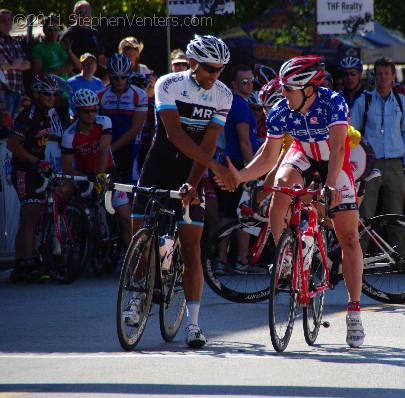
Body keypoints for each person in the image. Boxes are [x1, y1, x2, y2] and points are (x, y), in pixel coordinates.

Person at [222, 54, 367, 348]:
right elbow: (267, 157)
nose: (283, 94)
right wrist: (240, 175)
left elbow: (339, 148)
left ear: (308, 89)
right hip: (303, 156)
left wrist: (329, 187)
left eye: (288, 89)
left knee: (349, 237)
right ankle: (286, 254)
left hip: (333, 161)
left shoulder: (333, 102)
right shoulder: (281, 109)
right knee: (281, 187)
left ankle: (354, 311)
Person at [132, 35, 237, 348]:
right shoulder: (169, 84)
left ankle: (193, 324)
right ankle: (137, 300)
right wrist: (217, 167)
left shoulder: (224, 94)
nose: (214, 75)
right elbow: (174, 134)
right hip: (159, 165)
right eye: (208, 68)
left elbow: (208, 142)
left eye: (220, 69)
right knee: (140, 243)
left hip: (192, 170)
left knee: (191, 248)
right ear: (192, 63)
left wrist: (194, 182)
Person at [6, 75, 63, 283]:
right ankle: (29, 264)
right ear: (37, 94)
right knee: (30, 214)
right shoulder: (28, 114)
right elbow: (13, 144)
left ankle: (22, 264)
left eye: (54, 94)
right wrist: (35, 161)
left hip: (35, 169)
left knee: (30, 217)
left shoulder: (46, 114)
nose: (51, 97)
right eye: (47, 93)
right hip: (23, 169)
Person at [60, 88, 131, 246]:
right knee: (63, 191)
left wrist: (100, 174)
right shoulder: (69, 135)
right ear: (78, 112)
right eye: (86, 111)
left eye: (94, 110)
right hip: (84, 175)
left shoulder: (104, 121)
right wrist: (89, 178)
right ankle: (62, 239)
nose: (91, 114)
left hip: (107, 171)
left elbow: (105, 147)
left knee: (126, 218)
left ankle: (132, 262)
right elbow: (66, 168)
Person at [350, 57, 405, 222]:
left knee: (396, 219)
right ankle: (362, 249)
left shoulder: (402, 103)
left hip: (395, 165)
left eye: (387, 73)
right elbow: (351, 134)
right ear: (374, 76)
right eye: (379, 74)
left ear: (393, 76)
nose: (383, 77)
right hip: (369, 166)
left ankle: (396, 249)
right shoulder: (363, 102)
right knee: (364, 217)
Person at [214, 64, 260, 275]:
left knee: (228, 213)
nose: (249, 84)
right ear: (233, 84)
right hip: (238, 164)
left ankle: (222, 260)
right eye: (244, 81)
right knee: (244, 213)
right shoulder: (240, 106)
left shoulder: (232, 103)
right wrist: (253, 172)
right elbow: (244, 143)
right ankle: (241, 260)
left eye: (251, 80)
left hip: (228, 163)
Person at [97, 53, 148, 184]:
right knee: (105, 185)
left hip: (131, 147)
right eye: (115, 77)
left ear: (129, 75)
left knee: (129, 187)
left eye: (124, 77)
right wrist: (106, 149)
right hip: (107, 147)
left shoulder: (140, 94)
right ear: (109, 75)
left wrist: (111, 148)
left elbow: (135, 129)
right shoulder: (100, 95)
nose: (120, 81)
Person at [59, 1, 107, 73]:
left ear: (90, 14)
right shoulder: (67, 35)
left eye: (86, 12)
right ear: (75, 15)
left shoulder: (95, 34)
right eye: (80, 12)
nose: (84, 15)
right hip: (75, 78)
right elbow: (62, 61)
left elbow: (101, 58)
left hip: (94, 79)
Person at [0, 9, 31, 119]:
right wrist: (17, 63)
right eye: (3, 20)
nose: (7, 22)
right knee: (5, 124)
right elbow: (4, 65)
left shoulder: (15, 43)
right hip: (5, 92)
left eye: (9, 20)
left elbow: (27, 64)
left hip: (18, 91)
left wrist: (11, 64)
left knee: (14, 125)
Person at [67, 53, 105, 117]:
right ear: (81, 66)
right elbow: (67, 105)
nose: (89, 66)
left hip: (96, 119)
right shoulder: (71, 83)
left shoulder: (99, 83)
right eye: (86, 63)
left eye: (92, 63)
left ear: (96, 66)